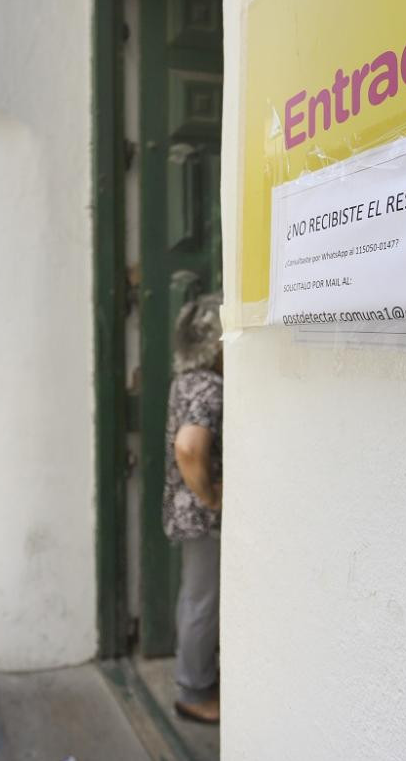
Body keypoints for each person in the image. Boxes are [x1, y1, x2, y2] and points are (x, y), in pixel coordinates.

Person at [165, 293, 224, 726]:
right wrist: (211, 496)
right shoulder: (211, 386)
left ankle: (195, 679)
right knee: (203, 601)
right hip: (202, 514)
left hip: (184, 510)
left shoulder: (186, 380)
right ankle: (194, 692)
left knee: (194, 598)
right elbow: (188, 446)